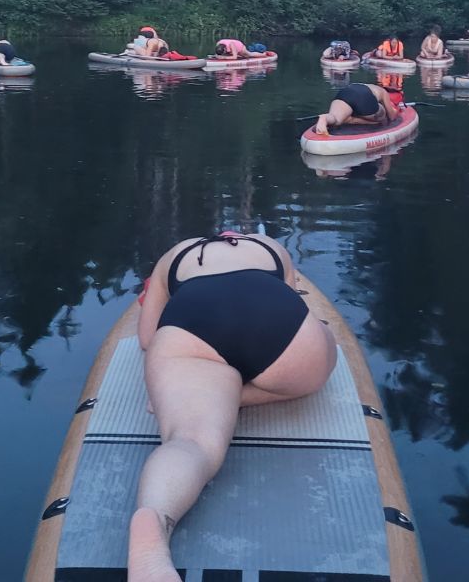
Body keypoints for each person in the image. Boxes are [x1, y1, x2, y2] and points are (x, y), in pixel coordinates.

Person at [128, 231, 337, 581]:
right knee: (323, 355)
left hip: (191, 321)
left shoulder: (173, 256)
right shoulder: (273, 250)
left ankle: (155, 516)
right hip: (275, 316)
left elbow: (148, 339)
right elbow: (294, 299)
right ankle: (238, 394)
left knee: (191, 440)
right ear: (240, 237)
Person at [313, 82, 401, 135]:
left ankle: (324, 118)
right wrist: (396, 110)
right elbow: (392, 117)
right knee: (382, 118)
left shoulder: (368, 85)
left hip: (346, 92)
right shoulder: (383, 92)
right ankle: (351, 119)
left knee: (335, 119)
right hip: (363, 97)